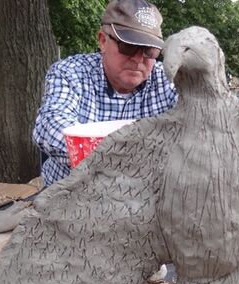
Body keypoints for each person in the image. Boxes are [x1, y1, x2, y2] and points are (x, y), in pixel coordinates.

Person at [33, 0, 178, 186]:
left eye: (149, 50)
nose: (137, 58)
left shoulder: (168, 81)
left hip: (140, 202)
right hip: (70, 197)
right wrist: (127, 156)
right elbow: (50, 125)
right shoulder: (71, 72)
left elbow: (199, 128)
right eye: (128, 46)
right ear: (103, 41)